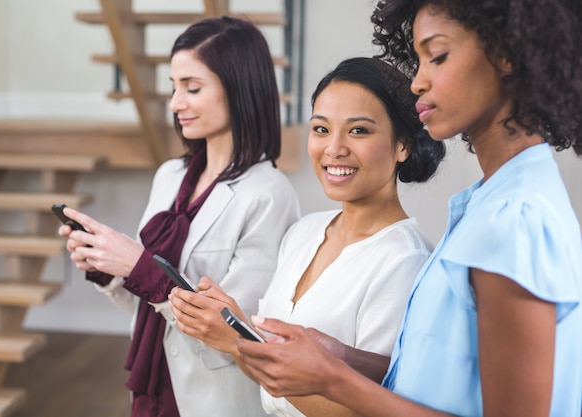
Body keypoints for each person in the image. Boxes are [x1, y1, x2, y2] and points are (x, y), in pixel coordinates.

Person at [233, 1, 582, 416]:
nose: (417, 82)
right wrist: (341, 357)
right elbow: (441, 376)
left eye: (437, 56)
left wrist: (332, 380)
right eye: (418, 60)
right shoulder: (489, 201)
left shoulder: (514, 220)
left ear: (508, 54)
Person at [167, 56, 445, 417]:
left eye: (359, 130)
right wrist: (235, 325)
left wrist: (236, 343)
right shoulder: (304, 232)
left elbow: (368, 409)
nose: (334, 148)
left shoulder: (405, 260)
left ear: (403, 146)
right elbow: (275, 378)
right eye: (321, 129)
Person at [58, 16, 300, 417]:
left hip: (212, 397)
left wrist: (138, 265)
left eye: (192, 88)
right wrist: (107, 269)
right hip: (150, 384)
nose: (175, 104)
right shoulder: (169, 175)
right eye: (174, 87)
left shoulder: (269, 194)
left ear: (239, 89)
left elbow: (233, 328)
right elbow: (146, 303)